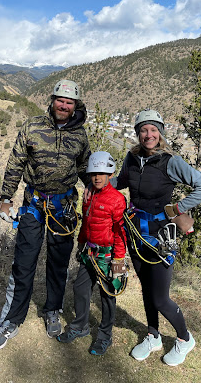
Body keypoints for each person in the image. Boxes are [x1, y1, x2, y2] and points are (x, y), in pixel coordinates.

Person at [0, 79, 91, 350]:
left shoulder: (80, 135)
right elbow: (16, 162)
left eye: (69, 102)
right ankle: (10, 320)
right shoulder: (33, 126)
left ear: (75, 105)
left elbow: (84, 168)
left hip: (63, 207)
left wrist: (95, 190)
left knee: (58, 263)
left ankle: (52, 310)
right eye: (60, 100)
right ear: (53, 100)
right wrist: (6, 198)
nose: (64, 105)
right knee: (23, 263)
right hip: (33, 204)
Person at [115, 108, 201, 367]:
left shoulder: (170, 161)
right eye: (143, 130)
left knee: (161, 297)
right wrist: (98, 181)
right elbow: (121, 181)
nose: (148, 135)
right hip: (136, 233)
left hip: (161, 236)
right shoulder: (132, 158)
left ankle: (184, 338)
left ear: (160, 133)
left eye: (153, 130)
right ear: (138, 134)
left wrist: (179, 208)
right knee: (147, 290)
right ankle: (153, 335)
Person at [57, 151, 127, 356]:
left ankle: (105, 336)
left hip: (108, 255)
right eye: (94, 173)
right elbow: (86, 224)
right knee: (80, 289)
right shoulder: (89, 195)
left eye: (102, 173)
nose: (97, 177)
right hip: (89, 252)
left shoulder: (117, 200)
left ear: (111, 174)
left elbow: (120, 233)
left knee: (108, 295)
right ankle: (80, 326)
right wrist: (80, 245)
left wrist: (119, 262)